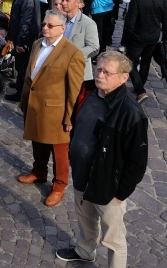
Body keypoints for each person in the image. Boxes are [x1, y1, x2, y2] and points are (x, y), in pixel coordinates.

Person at [55, 52, 148, 267]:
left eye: (107, 72)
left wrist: (121, 194)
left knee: (114, 239)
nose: (100, 75)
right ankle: (85, 251)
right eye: (99, 69)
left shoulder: (131, 112)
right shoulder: (89, 92)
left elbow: (137, 162)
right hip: (81, 174)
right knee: (85, 220)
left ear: (124, 77)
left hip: (107, 184)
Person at [17, 9, 85, 206]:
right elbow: (30, 75)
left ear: (62, 29)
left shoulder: (72, 53)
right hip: (34, 105)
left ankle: (59, 185)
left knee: (59, 151)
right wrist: (24, 100)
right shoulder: (37, 44)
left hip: (56, 111)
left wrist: (69, 117)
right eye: (44, 24)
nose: (45, 28)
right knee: (37, 141)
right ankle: (39, 172)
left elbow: (73, 89)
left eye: (50, 25)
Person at [121, 0, 167, 103]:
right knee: (145, 62)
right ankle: (140, 85)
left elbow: (130, 22)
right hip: (153, 37)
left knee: (131, 62)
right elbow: (166, 21)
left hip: (137, 37)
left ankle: (140, 90)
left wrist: (125, 41)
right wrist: (165, 37)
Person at [5, 0, 41, 102]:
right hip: (22, 35)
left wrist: (20, 42)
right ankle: (19, 83)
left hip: (26, 38)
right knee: (21, 65)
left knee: (23, 64)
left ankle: (20, 93)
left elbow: (25, 22)